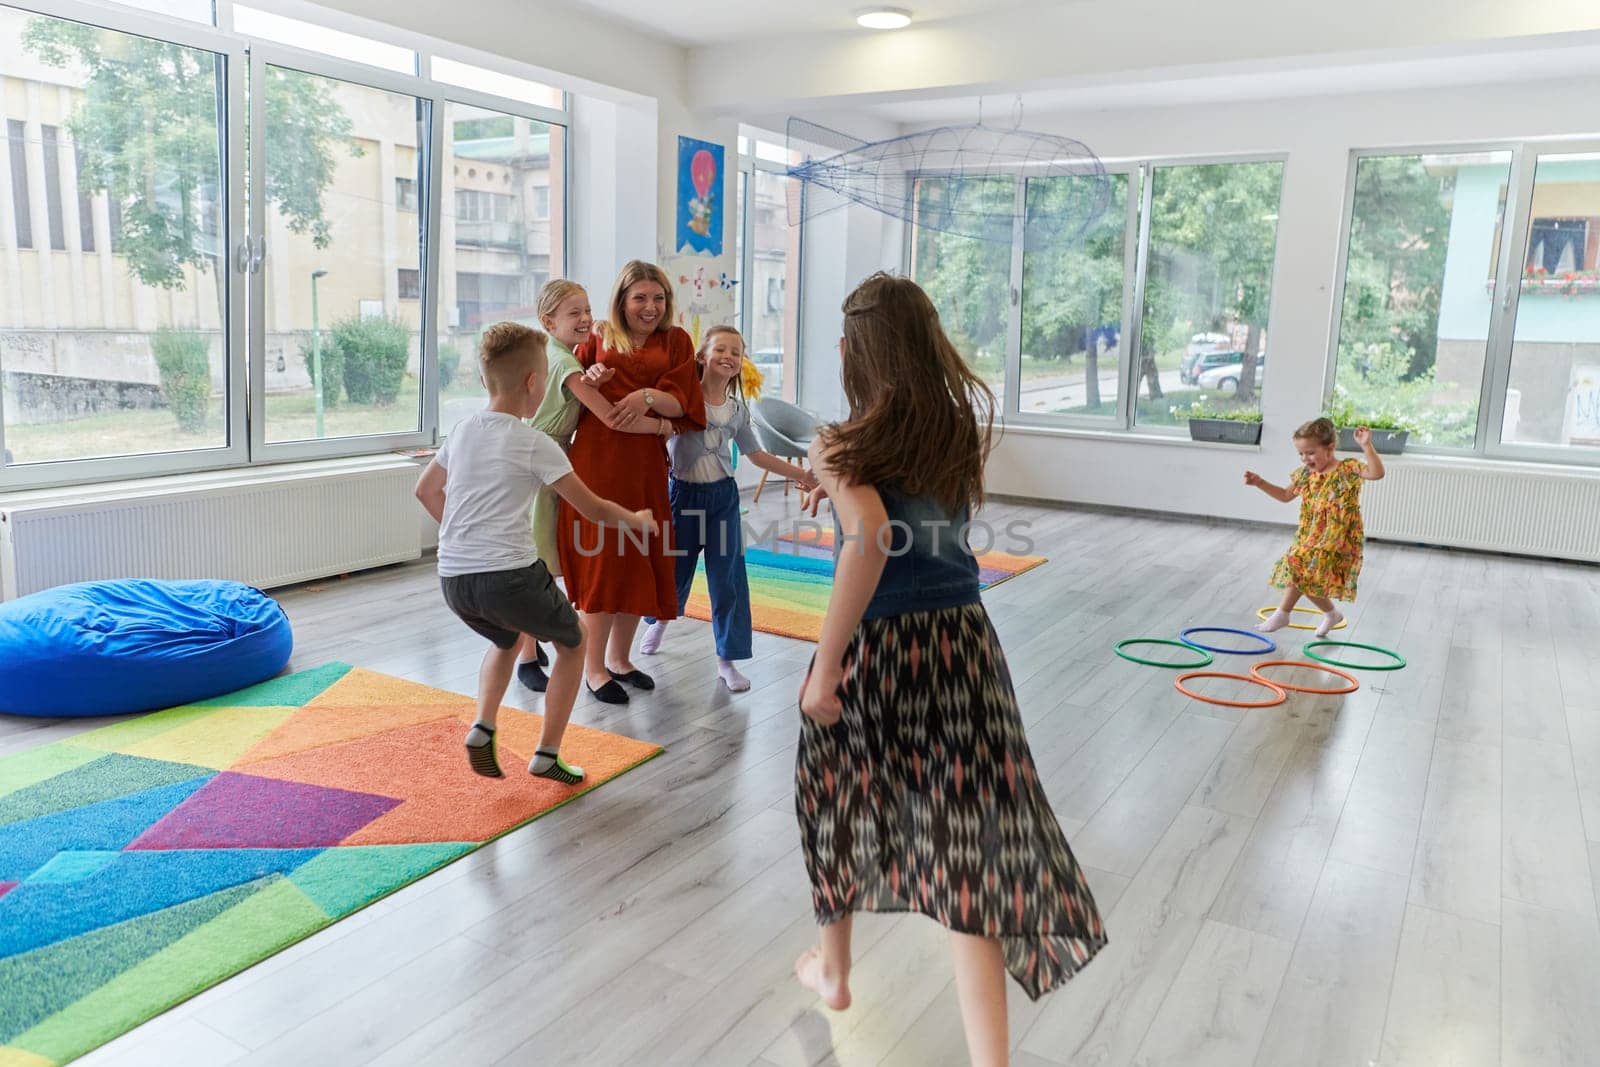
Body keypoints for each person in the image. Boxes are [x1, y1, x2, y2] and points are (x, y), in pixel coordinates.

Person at [792, 273, 1105, 1067]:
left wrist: (824, 665)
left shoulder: (839, 439)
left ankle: (834, 971)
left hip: (885, 649)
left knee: (832, 796)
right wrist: (834, 480)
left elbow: (867, 534)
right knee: (971, 846)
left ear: (850, 351)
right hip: (964, 645)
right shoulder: (955, 428)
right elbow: (915, 516)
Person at [414, 322, 655, 783]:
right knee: (576, 643)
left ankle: (483, 724)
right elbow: (594, 508)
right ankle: (547, 754)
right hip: (510, 576)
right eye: (544, 375)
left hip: (454, 580)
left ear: (486, 381)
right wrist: (638, 521)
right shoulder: (535, 443)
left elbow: (425, 491)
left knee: (505, 638)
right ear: (532, 383)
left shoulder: (463, 431)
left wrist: (464, 540)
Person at [556, 261, 706, 705]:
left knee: (637, 558)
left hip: (645, 465)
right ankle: (594, 668)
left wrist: (644, 401)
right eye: (640, 297)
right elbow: (571, 389)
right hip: (598, 461)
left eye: (657, 298)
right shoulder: (598, 336)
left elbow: (682, 405)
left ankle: (621, 660)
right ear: (622, 300)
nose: (650, 306)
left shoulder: (677, 340)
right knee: (603, 563)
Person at [636, 326, 817, 692]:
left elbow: (758, 454)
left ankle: (726, 659)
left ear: (740, 363)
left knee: (727, 579)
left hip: (723, 501)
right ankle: (660, 622)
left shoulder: (737, 410)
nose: (728, 356)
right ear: (702, 356)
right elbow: (657, 434)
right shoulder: (682, 401)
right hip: (683, 497)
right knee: (674, 569)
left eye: (736, 351)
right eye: (721, 348)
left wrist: (803, 474)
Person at [515, 279, 655, 694]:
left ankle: (533, 644)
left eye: (587, 310)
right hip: (541, 462)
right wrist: (664, 423)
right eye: (574, 313)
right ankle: (526, 654)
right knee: (537, 563)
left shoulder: (561, 355)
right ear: (548, 320)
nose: (585, 319)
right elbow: (609, 417)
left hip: (552, 457)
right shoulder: (565, 362)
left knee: (545, 559)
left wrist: (594, 376)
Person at [1248, 416, 1386, 637]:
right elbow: (1285, 495)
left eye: (1310, 452)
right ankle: (1332, 614)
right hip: (1311, 534)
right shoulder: (1306, 474)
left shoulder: (1347, 468)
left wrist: (1366, 445)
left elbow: (1377, 473)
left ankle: (1283, 613)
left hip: (1338, 536)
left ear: (1329, 448)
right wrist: (1260, 482)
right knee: (1303, 575)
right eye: (1301, 453)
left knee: (1298, 564)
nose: (1305, 458)